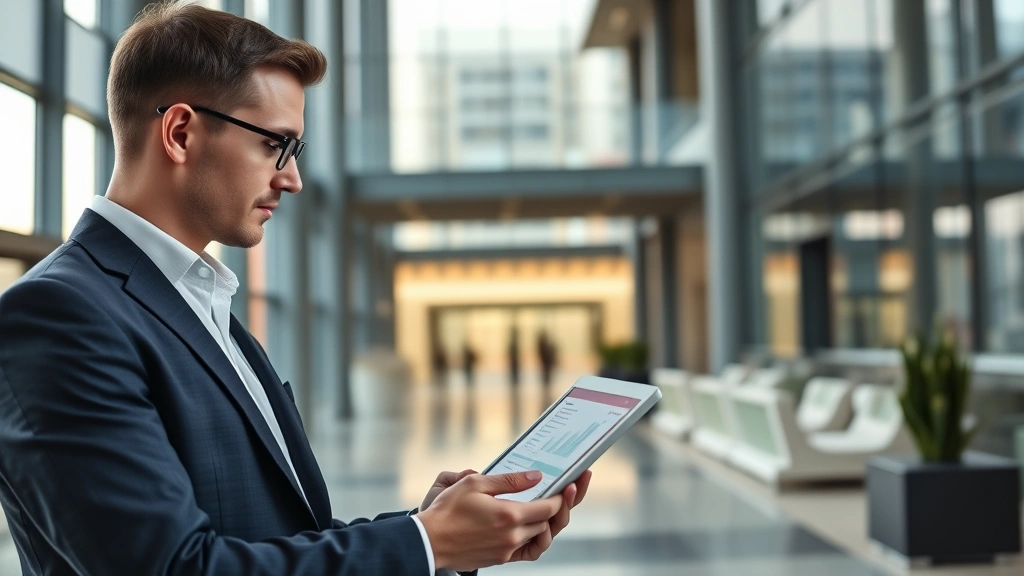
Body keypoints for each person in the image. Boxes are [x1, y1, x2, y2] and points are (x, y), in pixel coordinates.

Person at [0, 3, 590, 575]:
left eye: (295, 150)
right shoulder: (58, 317)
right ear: (180, 133)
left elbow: (276, 539)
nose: (293, 178)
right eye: (273, 144)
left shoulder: (201, 305)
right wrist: (424, 544)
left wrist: (432, 530)